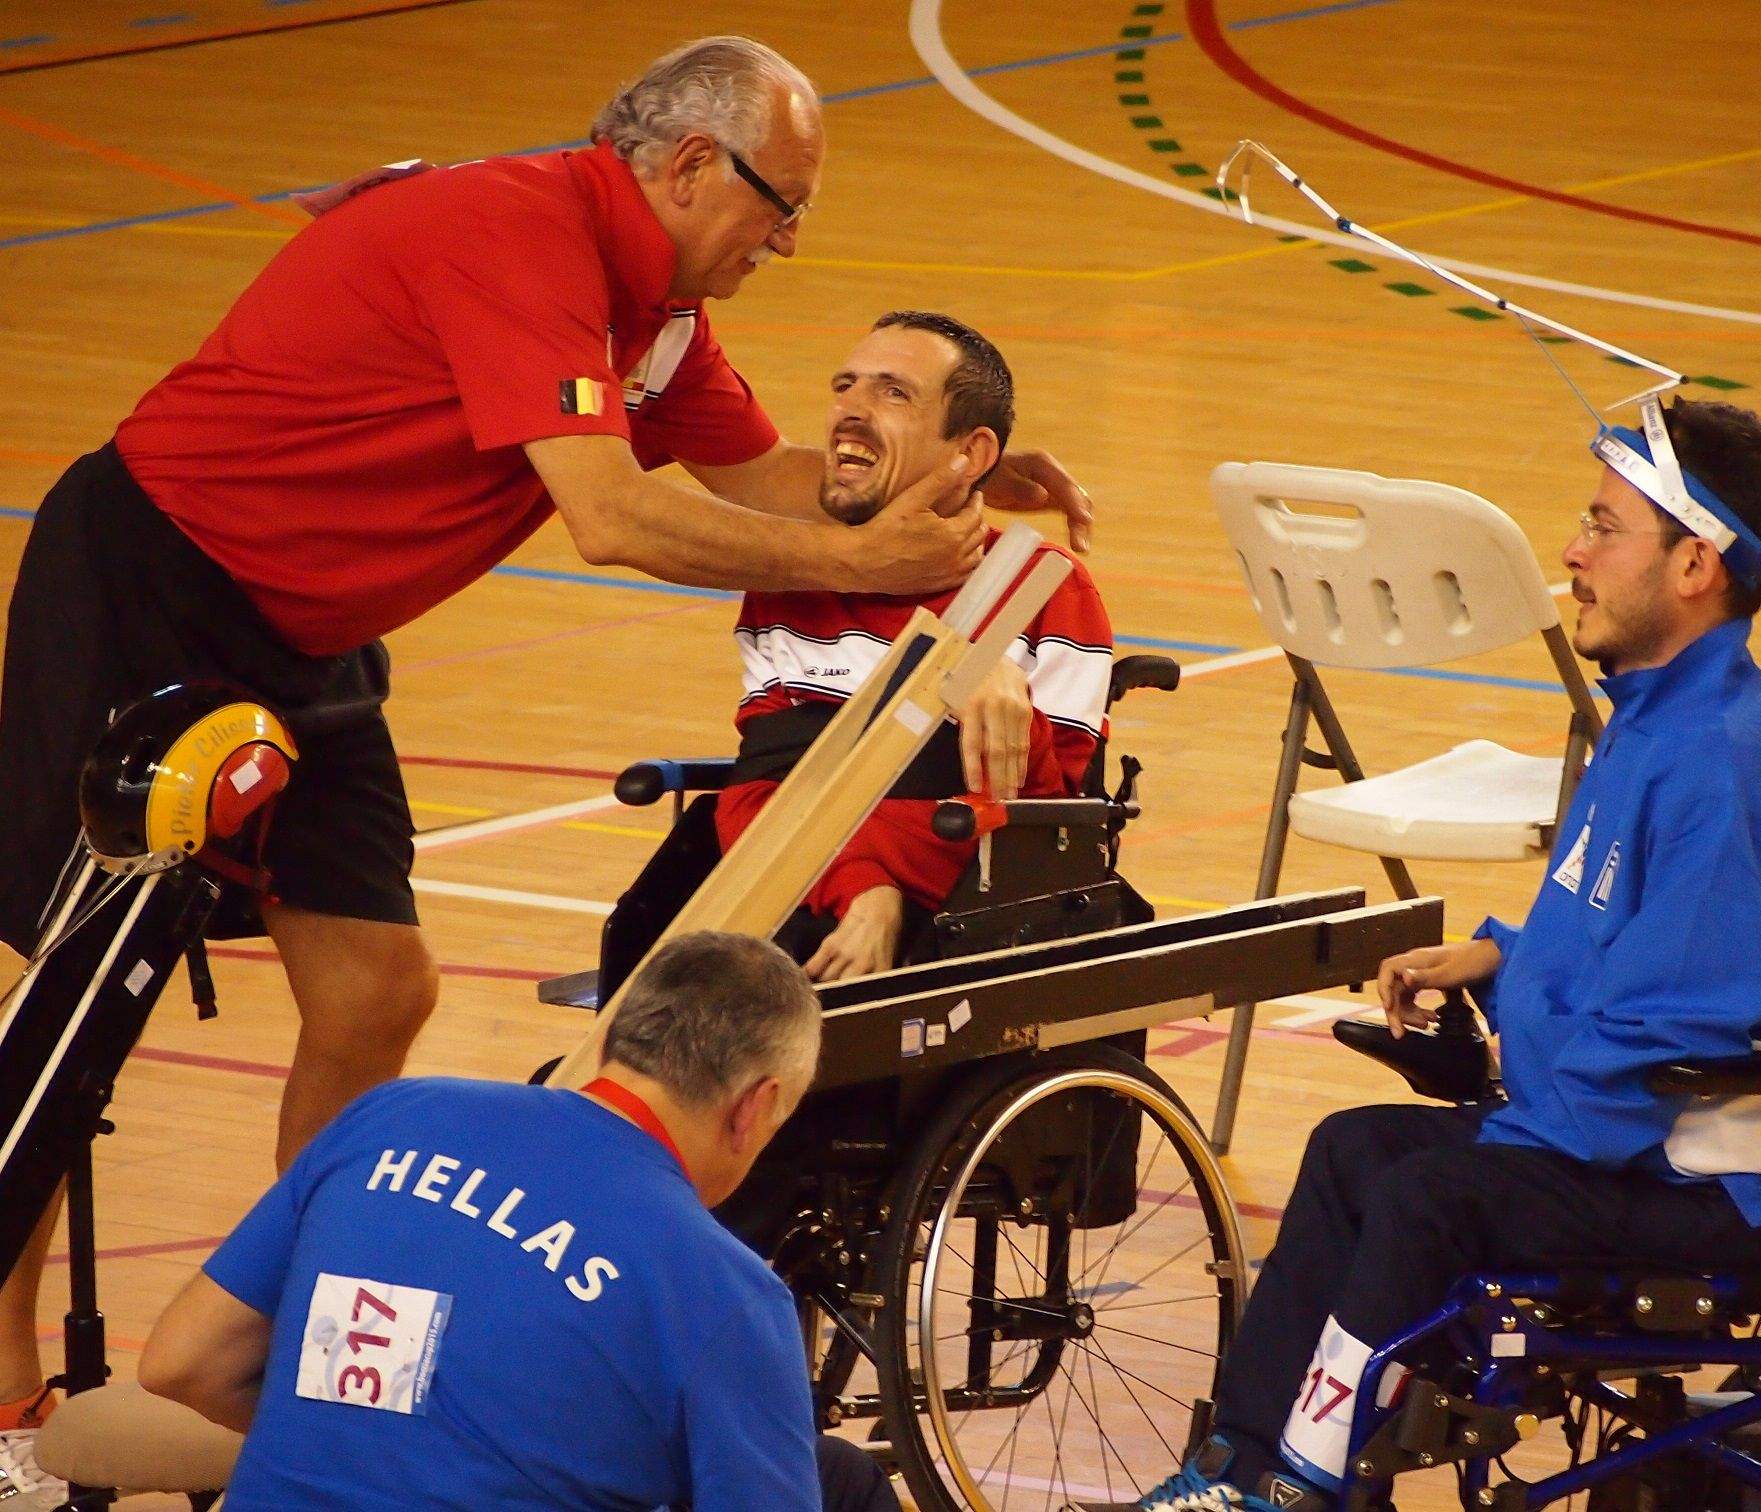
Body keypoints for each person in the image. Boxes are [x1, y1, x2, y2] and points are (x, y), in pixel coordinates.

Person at [0, 34, 1091, 1481]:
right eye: (783, 205)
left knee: (379, 986)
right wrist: (881, 546)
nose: (788, 238)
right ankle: (4, 1399)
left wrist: (960, 518)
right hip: (156, 577)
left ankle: (321, 1333)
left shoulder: (661, 320)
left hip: (310, 635)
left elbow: (773, 488)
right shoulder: (520, 236)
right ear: (693, 167)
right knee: (73, 1002)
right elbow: (620, 521)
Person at [1075, 399, 1761, 1512]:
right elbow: (1629, 947)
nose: (1572, 552)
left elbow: (1674, 1029)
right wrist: (1502, 963)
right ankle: (1241, 1467)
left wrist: (1509, 1121)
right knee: (1357, 1154)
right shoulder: (1654, 722)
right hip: (1633, 1133)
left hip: (1717, 1179)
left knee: (1433, 1196)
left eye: (1604, 527)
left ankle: (1309, 1483)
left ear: (1696, 564)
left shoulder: (1724, 772)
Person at [133, 930, 890, 1511]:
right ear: (756, 1105)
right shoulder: (724, 1290)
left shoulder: (395, 1114)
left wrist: (383, 1434)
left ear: (616, 1037)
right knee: (843, 1483)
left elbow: (180, 1363)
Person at [715, 310, 1113, 981]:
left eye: (893, 393)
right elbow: (756, 799)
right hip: (797, 905)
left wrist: (996, 695)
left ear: (974, 454)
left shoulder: (1047, 588)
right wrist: (868, 892)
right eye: (845, 386)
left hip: (972, 936)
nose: (850, 410)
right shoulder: (791, 582)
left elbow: (1053, 841)